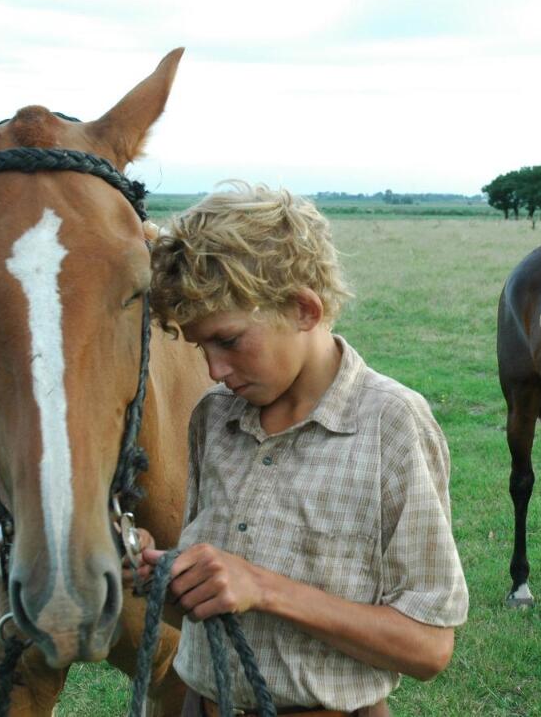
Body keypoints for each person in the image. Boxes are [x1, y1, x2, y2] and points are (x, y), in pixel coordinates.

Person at [134, 183, 469, 717]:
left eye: (228, 341)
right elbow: (213, 615)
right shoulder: (213, 417)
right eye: (200, 347)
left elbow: (429, 648)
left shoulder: (391, 424)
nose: (214, 370)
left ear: (304, 309)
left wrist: (263, 588)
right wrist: (169, 584)